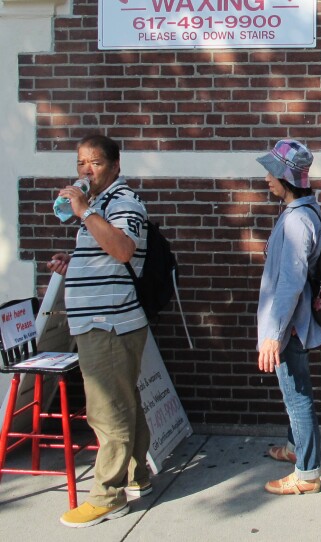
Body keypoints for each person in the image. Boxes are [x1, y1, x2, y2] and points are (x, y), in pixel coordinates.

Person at [47, 135, 151, 528]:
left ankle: (107, 495)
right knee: (126, 403)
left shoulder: (123, 202)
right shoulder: (101, 205)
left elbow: (124, 249)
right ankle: (137, 476)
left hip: (108, 324)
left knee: (107, 411)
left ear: (116, 165)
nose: (86, 171)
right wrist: (74, 262)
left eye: (95, 163)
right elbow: (107, 255)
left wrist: (84, 210)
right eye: (80, 164)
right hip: (100, 321)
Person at [255, 139, 321, 495]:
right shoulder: (303, 210)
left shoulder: (297, 221)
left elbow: (290, 283)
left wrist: (274, 334)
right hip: (292, 323)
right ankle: (296, 448)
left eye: (272, 172)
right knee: (293, 391)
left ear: (287, 178)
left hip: (290, 326)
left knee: (296, 395)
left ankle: (307, 473)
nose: (267, 178)